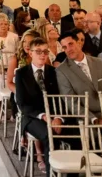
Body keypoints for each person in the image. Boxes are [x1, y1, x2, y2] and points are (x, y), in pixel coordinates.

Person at [14, 37, 62, 174]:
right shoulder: (21, 73)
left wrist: (58, 117)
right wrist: (43, 116)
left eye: (45, 52)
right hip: (32, 117)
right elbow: (22, 104)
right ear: (30, 53)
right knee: (49, 135)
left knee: (73, 132)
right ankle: (51, 172)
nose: (42, 55)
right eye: (38, 51)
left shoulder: (53, 72)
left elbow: (59, 98)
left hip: (53, 115)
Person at [56, 28, 102, 120]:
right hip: (88, 119)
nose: (68, 49)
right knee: (99, 134)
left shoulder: (100, 63)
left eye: (70, 44)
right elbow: (72, 103)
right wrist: (95, 120)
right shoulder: (62, 71)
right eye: (64, 47)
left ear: (79, 43)